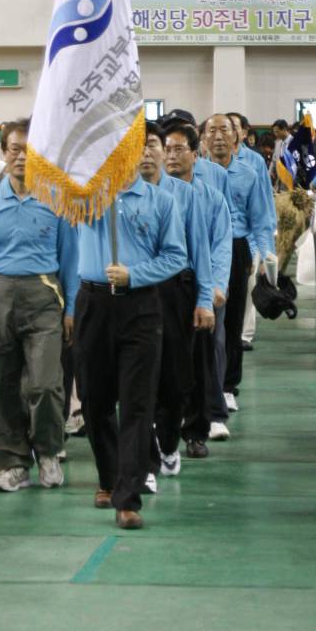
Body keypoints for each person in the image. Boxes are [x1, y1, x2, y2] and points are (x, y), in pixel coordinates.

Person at [0, 120, 77, 493]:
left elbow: (70, 260)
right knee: (1, 386)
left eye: (31, 150)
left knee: (44, 384)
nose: (22, 157)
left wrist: (70, 307)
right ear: (3, 154)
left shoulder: (57, 199)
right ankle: (11, 463)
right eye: (15, 150)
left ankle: (49, 452)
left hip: (44, 298)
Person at [73, 169, 188, 529]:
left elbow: (175, 256)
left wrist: (134, 274)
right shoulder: (85, 197)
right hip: (92, 302)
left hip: (140, 306)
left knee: (137, 403)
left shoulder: (161, 201)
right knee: (94, 400)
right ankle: (108, 477)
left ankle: (128, 496)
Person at [138, 123, 214, 479]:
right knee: (137, 376)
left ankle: (168, 442)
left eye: (153, 145)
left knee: (174, 377)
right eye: (137, 147)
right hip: (133, 293)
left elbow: (200, 249)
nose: (147, 153)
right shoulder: (122, 195)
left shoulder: (185, 195)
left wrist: (203, 300)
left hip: (175, 292)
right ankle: (144, 451)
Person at [202, 114, 274, 415]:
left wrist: (265, 258)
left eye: (224, 130)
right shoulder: (197, 173)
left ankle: (228, 386)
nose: (218, 136)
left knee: (232, 321)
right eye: (212, 130)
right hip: (202, 248)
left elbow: (260, 218)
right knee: (203, 319)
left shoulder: (249, 173)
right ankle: (202, 385)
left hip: (237, 246)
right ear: (203, 138)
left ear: (237, 137)